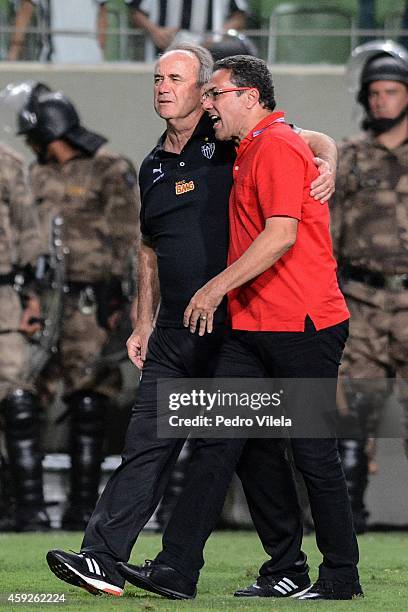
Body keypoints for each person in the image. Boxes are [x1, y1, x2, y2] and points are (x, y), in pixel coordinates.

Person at [45, 43, 338, 597]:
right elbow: (149, 246)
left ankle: (287, 567)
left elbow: (311, 140)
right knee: (148, 440)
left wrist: (332, 162)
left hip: (236, 327)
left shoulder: (229, 136)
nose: (161, 87)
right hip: (175, 332)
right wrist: (142, 319)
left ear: (204, 89)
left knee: (252, 453)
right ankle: (102, 559)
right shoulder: (153, 163)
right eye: (157, 78)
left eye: (174, 78)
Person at [116, 54, 362, 601]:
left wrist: (212, 288)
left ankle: (340, 575)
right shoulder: (249, 145)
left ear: (250, 97)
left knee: (313, 454)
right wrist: (330, 154)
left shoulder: (274, 144)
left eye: (216, 94)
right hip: (252, 328)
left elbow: (281, 236)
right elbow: (318, 144)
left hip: (302, 326)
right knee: (218, 443)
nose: (207, 104)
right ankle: (176, 570)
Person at [13, 85, 140, 530]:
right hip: (46, 300)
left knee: (90, 398)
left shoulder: (110, 167)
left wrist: (122, 300)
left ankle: (83, 508)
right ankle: (28, 509)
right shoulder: (36, 174)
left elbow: (130, 236)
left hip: (92, 300)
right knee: (22, 393)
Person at [333, 40, 408, 533]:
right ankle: (347, 525)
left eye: (392, 92)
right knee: (349, 414)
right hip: (359, 298)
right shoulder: (348, 158)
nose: (382, 100)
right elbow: (325, 230)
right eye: (374, 93)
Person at [0, 141, 51, 532]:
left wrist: (32, 298)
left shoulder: (7, 162)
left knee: (17, 397)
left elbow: (29, 234)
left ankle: (30, 508)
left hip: (4, 298)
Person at [126, 0, 248, 61]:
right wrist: (155, 31)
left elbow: (239, 16)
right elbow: (135, 11)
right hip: (162, 50)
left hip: (209, 51)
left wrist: (217, 36)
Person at [8, 0, 107, 62]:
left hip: (58, 61)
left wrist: (13, 54)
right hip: (88, 60)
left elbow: (24, 14)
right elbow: (102, 16)